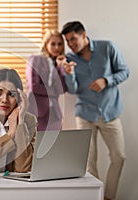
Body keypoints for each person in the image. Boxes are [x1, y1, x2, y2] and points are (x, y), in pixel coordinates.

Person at [61, 21, 129, 200]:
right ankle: (94, 198)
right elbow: (73, 90)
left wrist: (106, 80)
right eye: (68, 41)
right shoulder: (70, 59)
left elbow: (124, 71)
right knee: (90, 163)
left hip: (110, 113)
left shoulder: (107, 48)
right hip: (85, 114)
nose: (71, 44)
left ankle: (109, 197)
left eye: (73, 39)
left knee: (119, 156)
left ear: (83, 35)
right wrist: (69, 73)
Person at [26, 30, 67, 131]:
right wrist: (53, 92)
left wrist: (60, 68)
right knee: (36, 144)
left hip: (54, 114)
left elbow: (61, 90)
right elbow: (34, 86)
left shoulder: (59, 62)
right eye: (53, 44)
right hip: (36, 112)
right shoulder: (35, 59)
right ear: (46, 44)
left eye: (60, 44)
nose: (57, 47)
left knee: (55, 145)